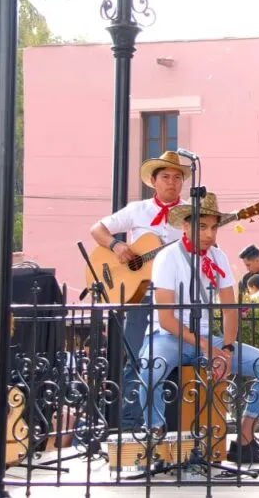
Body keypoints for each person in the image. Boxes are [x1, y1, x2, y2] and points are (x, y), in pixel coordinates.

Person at [136, 192, 259, 465]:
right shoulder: (168, 257)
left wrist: (226, 349)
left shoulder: (219, 257)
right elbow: (167, 320)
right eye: (202, 226)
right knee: (149, 367)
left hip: (207, 339)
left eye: (214, 227)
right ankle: (155, 441)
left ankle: (245, 440)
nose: (209, 233)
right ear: (186, 226)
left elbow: (230, 310)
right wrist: (211, 348)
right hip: (169, 337)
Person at [89, 150, 190, 431]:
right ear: (153, 182)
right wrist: (117, 246)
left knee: (173, 364)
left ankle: (172, 430)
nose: (172, 182)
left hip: (178, 298)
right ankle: (131, 429)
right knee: (137, 360)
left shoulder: (191, 215)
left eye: (177, 178)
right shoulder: (137, 210)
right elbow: (96, 229)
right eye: (166, 177)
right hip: (141, 298)